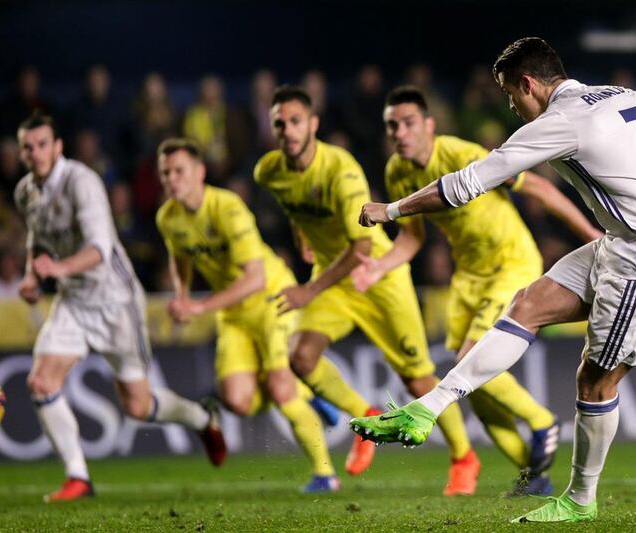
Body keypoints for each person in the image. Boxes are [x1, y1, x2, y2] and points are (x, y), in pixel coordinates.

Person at [351, 37, 636, 523]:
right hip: (623, 242)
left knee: (595, 382)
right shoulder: (627, 97)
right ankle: (428, 407)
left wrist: (390, 209)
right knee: (530, 303)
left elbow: (464, 186)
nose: (512, 107)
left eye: (510, 95)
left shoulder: (560, 120)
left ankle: (579, 501)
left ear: (529, 83)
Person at [351, 85, 603, 495]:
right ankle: (531, 473)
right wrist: (378, 267)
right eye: (392, 125)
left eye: (408, 123)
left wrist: (589, 232)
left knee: (470, 358)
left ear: (429, 125)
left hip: (509, 260)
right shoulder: (397, 170)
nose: (399, 132)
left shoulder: (458, 153)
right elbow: (412, 239)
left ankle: (542, 422)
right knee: (474, 385)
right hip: (467, 275)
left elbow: (537, 188)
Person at [254, 85, 477, 496]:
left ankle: (464, 456)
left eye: (295, 121)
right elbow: (293, 204)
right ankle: (365, 413)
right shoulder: (268, 170)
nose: (287, 130)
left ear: (313, 124)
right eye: (279, 123)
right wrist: (300, 232)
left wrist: (308, 291)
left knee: (417, 379)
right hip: (334, 278)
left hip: (376, 275)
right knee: (301, 357)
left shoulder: (341, 170)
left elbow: (359, 247)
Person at [14, 112, 226, 503]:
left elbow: (100, 249)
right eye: (28, 146)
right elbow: (37, 240)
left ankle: (202, 417)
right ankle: (77, 476)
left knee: (138, 405)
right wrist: (31, 275)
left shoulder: (82, 183)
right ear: (21, 152)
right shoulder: (26, 191)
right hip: (74, 300)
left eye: (43, 144)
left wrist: (56, 268)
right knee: (40, 382)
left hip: (115, 301)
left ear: (57, 147)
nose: (36, 152)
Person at [155, 137, 340, 492]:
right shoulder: (168, 218)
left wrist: (199, 306)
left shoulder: (228, 208)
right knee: (238, 401)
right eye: (165, 173)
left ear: (200, 173)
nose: (171, 179)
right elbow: (178, 257)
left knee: (280, 387)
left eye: (179, 171)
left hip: (272, 298)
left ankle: (325, 474)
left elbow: (254, 278)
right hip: (233, 312)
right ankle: (305, 392)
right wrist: (181, 294)